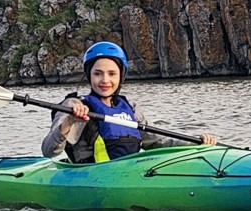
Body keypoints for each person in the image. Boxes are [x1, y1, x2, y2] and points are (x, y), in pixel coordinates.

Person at [41, 41, 217, 162]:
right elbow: (49, 151)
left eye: (112, 74)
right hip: (90, 176)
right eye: (97, 73)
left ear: (121, 76)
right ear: (89, 75)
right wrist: (70, 122)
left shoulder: (131, 108)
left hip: (130, 172)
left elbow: (156, 143)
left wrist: (196, 144)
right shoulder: (74, 105)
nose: (105, 80)